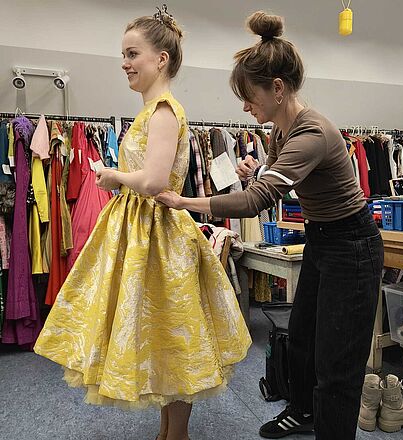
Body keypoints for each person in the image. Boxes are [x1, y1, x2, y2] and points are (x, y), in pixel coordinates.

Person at [157, 10, 384, 440]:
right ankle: (303, 411)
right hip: (322, 240)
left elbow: (262, 199)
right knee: (300, 340)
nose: (245, 106)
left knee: (337, 365)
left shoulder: (311, 132)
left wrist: (185, 201)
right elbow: (276, 178)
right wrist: (256, 170)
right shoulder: (282, 131)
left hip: (352, 245)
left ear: (277, 89)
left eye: (249, 96)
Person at [33, 6, 251, 440]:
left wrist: (112, 176)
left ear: (161, 60)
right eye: (124, 54)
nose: (125, 63)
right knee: (160, 337)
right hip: (141, 233)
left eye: (133, 53)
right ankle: (167, 432)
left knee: (173, 336)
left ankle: (178, 435)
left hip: (158, 235)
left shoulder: (165, 111)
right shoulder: (152, 110)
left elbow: (152, 181)